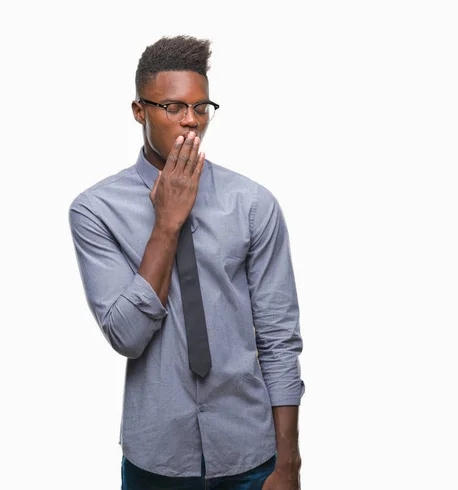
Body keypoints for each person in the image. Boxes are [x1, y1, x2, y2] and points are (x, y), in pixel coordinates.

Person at [68, 35, 305, 490]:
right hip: (157, 458)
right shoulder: (95, 210)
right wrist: (166, 225)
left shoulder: (252, 203)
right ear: (139, 111)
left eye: (201, 107)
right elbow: (127, 336)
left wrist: (289, 463)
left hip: (250, 454)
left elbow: (278, 337)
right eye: (173, 107)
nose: (191, 122)